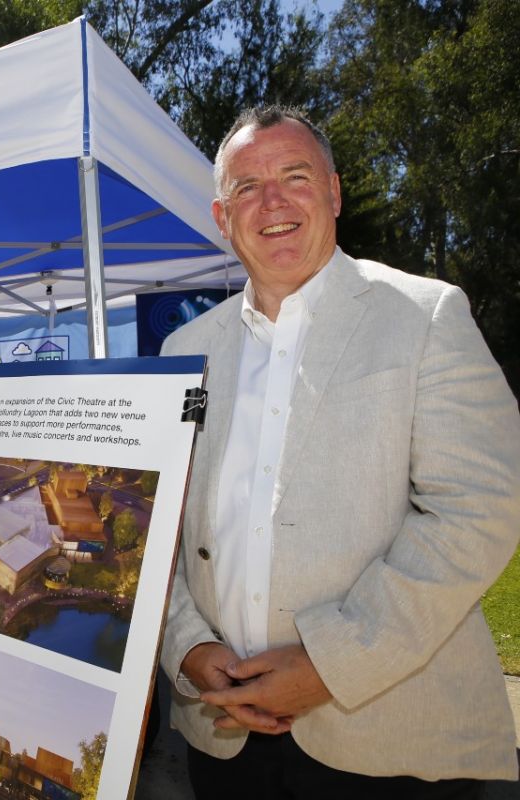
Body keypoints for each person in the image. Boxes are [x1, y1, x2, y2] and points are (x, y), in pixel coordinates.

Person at [159, 105, 520, 798]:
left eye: (295, 175)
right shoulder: (185, 353)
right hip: (223, 736)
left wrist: (330, 664)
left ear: (334, 190)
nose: (272, 201)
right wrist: (189, 650)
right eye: (246, 186)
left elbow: (479, 510)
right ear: (220, 215)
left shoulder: (426, 315)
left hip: (389, 744)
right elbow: (157, 529)